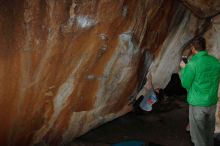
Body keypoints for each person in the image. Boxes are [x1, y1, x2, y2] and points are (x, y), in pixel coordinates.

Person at [180, 37, 220, 146]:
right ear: (204, 47)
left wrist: (184, 68)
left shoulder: (192, 63)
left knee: (198, 137)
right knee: (208, 134)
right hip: (211, 103)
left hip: (197, 104)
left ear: (193, 49)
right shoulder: (215, 61)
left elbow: (185, 83)